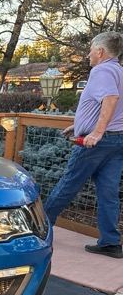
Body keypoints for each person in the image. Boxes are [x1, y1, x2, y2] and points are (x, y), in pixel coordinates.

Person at [44, 31, 123, 259]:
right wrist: (78, 126)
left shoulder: (102, 70)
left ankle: (39, 230)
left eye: (91, 49)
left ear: (100, 51)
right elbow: (110, 107)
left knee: (68, 184)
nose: (88, 54)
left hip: (98, 142)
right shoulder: (119, 71)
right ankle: (110, 242)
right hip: (116, 141)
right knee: (108, 193)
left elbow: (110, 99)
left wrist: (96, 132)